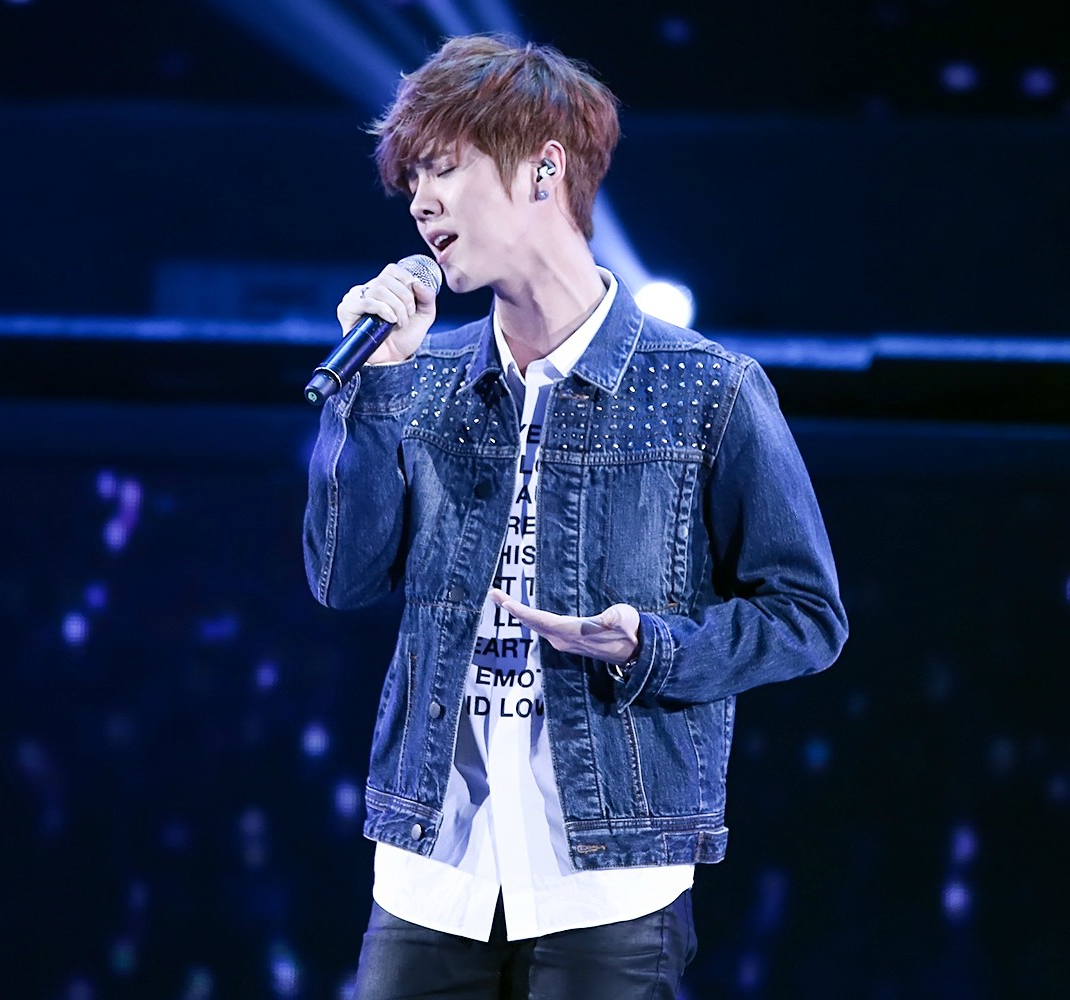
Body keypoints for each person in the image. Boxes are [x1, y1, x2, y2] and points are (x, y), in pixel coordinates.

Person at [302, 33, 848, 999]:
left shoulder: (707, 389)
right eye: (412, 179)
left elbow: (807, 615)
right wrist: (372, 391)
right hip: (432, 874)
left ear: (544, 169)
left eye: (444, 167)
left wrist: (654, 648)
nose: (420, 200)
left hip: (608, 881)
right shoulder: (416, 376)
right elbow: (340, 579)